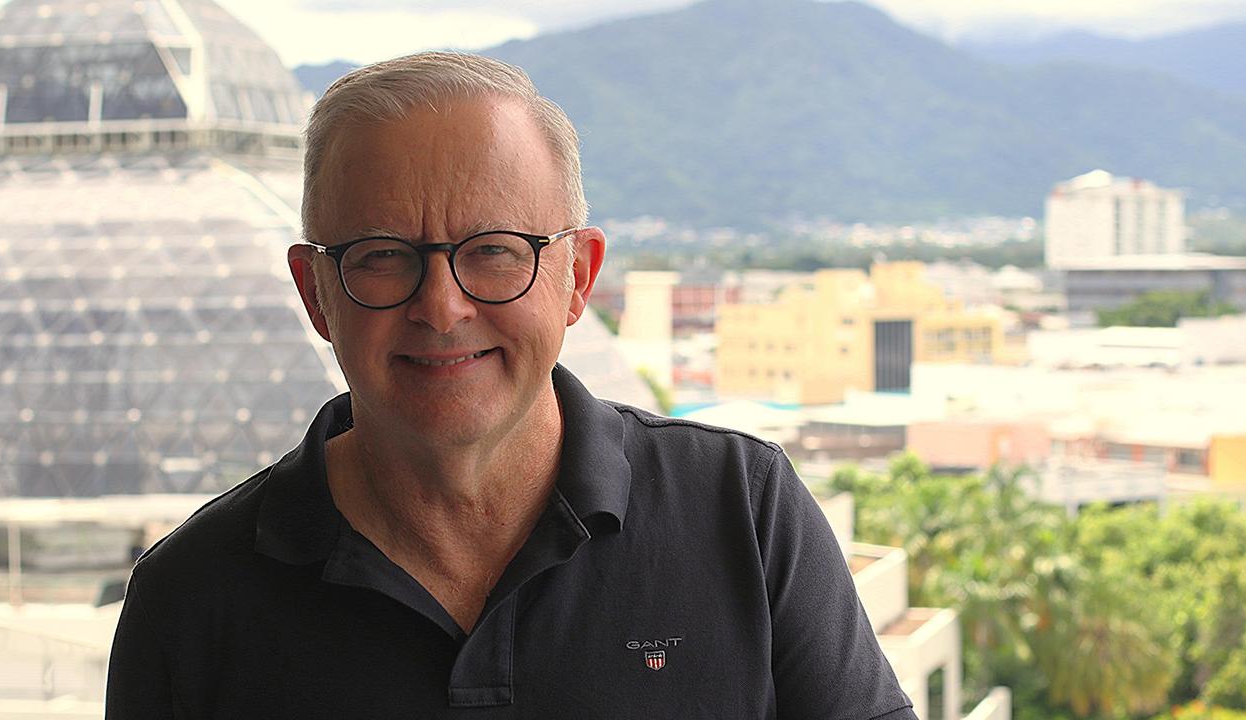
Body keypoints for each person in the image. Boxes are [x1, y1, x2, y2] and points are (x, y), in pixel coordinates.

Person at [105, 52, 917, 719]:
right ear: (315, 292)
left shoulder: (742, 508)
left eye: (494, 249)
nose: (442, 306)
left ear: (578, 277)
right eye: (382, 254)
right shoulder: (193, 596)